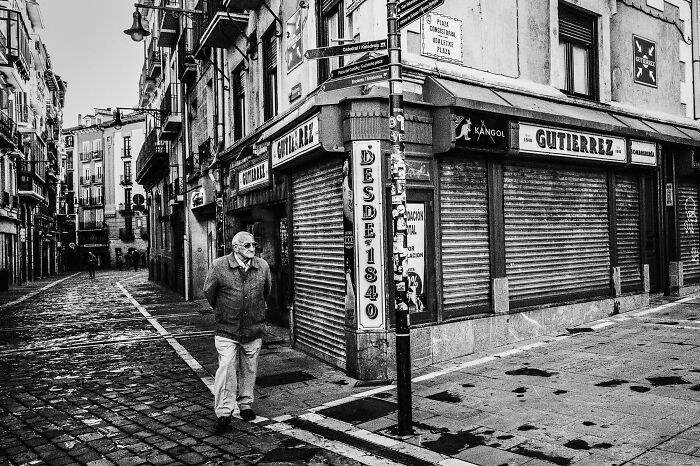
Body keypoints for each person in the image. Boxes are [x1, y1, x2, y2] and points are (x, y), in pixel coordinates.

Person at [203, 231, 271, 431]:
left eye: (254, 245)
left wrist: (256, 312)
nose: (252, 249)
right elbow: (209, 292)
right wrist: (225, 311)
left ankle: (245, 404)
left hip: (253, 327)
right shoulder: (219, 266)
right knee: (226, 369)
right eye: (247, 245)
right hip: (227, 328)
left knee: (249, 368)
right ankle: (224, 412)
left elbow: (266, 291)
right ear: (235, 248)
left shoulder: (263, 267)